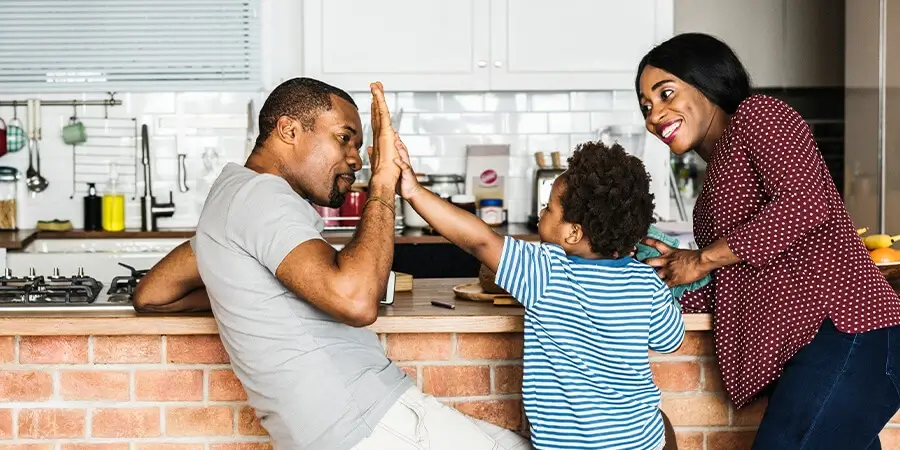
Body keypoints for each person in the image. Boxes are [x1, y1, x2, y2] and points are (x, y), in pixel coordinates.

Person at [132, 77, 532, 450]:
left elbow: (153, 295)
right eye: (344, 139)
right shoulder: (262, 197)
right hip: (367, 422)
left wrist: (247, 293)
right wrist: (382, 182)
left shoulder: (232, 196)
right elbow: (356, 302)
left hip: (348, 425)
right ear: (289, 130)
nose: (355, 159)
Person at [635, 32, 900, 450]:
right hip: (812, 350)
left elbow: (806, 203)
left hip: (846, 330)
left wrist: (701, 260)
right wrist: (654, 278)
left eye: (665, 93)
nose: (654, 116)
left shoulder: (759, 115)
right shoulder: (714, 185)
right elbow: (739, 277)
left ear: (707, 82)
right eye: (646, 107)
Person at [391, 138, 685, 450]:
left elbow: (479, 240)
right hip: (639, 441)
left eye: (548, 208)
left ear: (572, 233)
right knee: (662, 425)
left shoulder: (546, 271)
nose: (542, 212)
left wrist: (414, 192)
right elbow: (670, 340)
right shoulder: (646, 282)